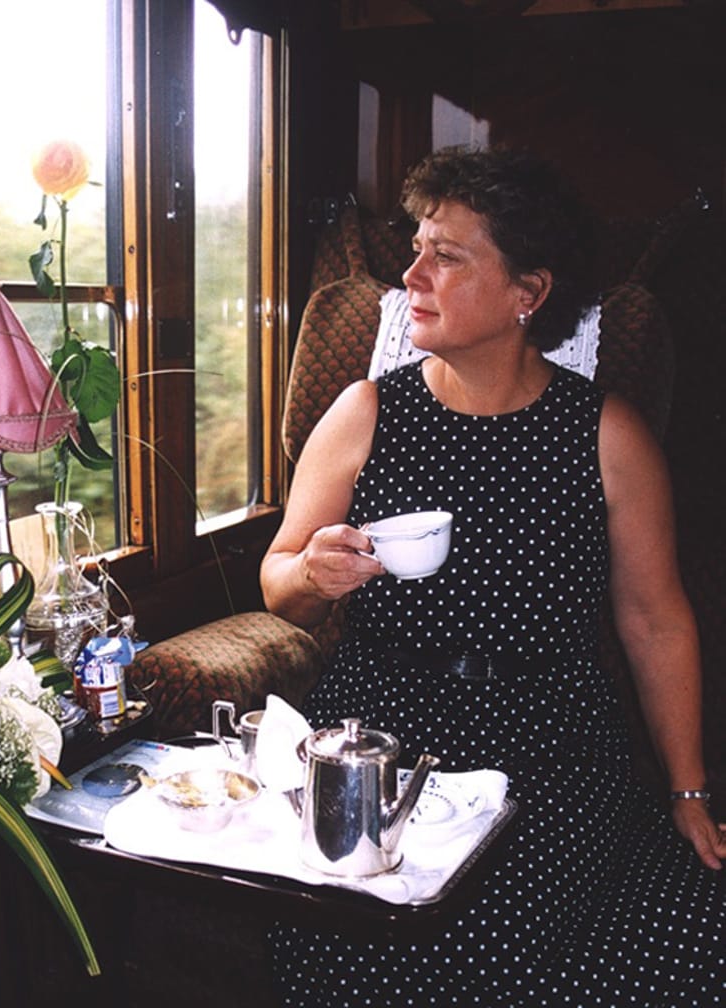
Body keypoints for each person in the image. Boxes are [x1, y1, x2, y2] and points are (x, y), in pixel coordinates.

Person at [260, 145, 725, 1007]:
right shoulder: (363, 412)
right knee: (372, 941)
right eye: (416, 247)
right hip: (382, 734)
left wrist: (688, 788)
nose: (410, 275)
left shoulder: (606, 435)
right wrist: (312, 576)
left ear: (528, 293)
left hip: (554, 737)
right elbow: (277, 578)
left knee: (666, 930)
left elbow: (655, 621)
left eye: (446, 254)